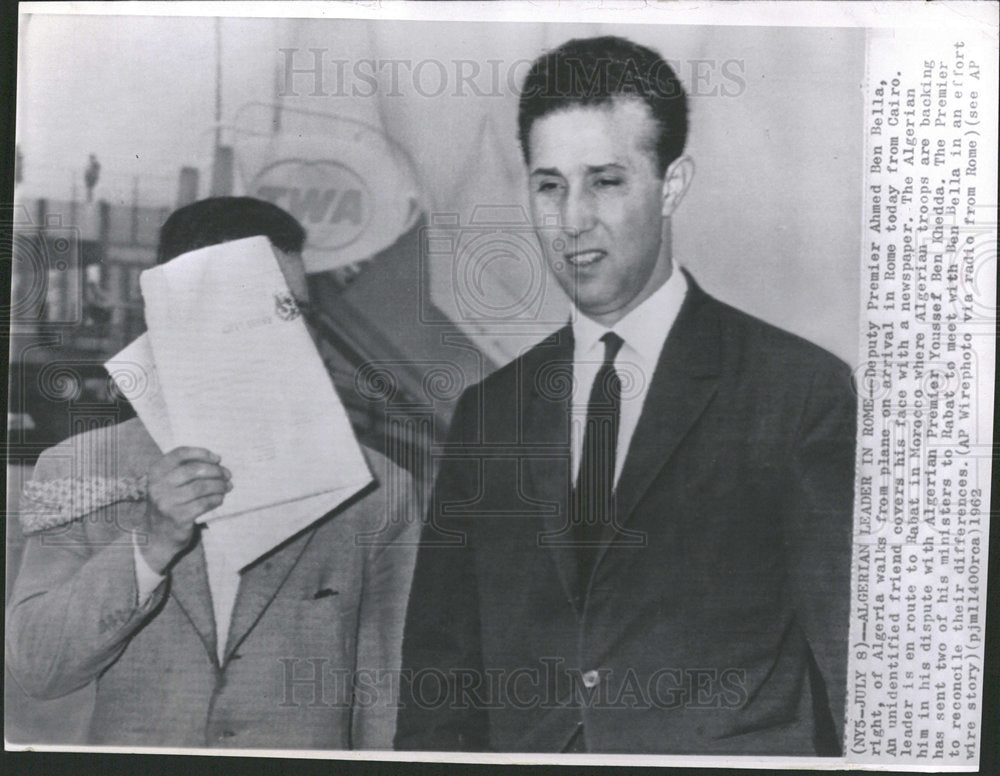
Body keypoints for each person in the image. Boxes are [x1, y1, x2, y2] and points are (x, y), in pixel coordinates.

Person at [395, 36, 857, 755]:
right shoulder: (491, 412)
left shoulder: (797, 392)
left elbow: (854, 667)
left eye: (605, 181)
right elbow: (440, 678)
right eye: (549, 185)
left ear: (672, 184)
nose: (571, 219)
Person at [7, 196, 420, 749]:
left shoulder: (378, 491)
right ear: (178, 313)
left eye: (297, 310)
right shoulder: (80, 469)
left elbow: (387, 692)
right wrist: (148, 548)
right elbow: (37, 667)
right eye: (265, 309)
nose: (296, 338)